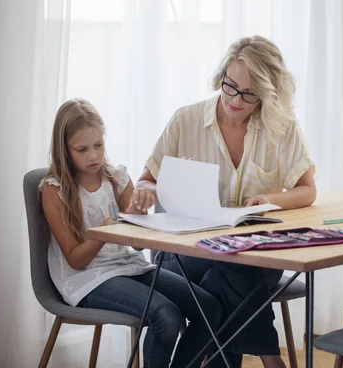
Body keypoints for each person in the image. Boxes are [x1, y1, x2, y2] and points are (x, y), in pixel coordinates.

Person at [135, 36, 316, 368]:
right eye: (229, 86)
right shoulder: (185, 121)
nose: (235, 99)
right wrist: (146, 192)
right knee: (227, 277)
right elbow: (147, 179)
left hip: (255, 257)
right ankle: (271, 360)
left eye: (249, 94)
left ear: (267, 94)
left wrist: (270, 199)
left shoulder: (282, 128)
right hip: (186, 253)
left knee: (222, 279)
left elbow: (307, 191)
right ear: (221, 77)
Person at [40, 99, 223, 368]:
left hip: (129, 267)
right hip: (87, 279)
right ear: (64, 150)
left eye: (98, 145)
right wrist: (102, 233)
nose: (93, 155)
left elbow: (138, 247)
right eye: (82, 149)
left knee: (211, 309)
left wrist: (137, 216)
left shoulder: (116, 178)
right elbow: (76, 260)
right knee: (167, 316)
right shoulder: (54, 190)